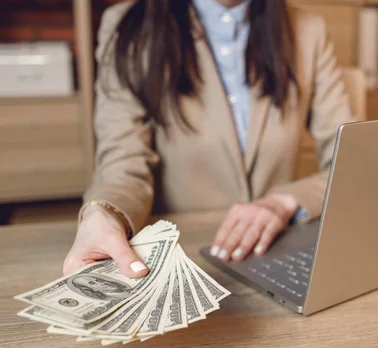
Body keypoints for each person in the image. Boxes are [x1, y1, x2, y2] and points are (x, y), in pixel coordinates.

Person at [62, 0, 353, 279]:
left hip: (279, 252)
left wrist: (284, 202)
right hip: (182, 257)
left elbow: (354, 161)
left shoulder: (308, 29)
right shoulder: (128, 26)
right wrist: (105, 214)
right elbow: (123, 161)